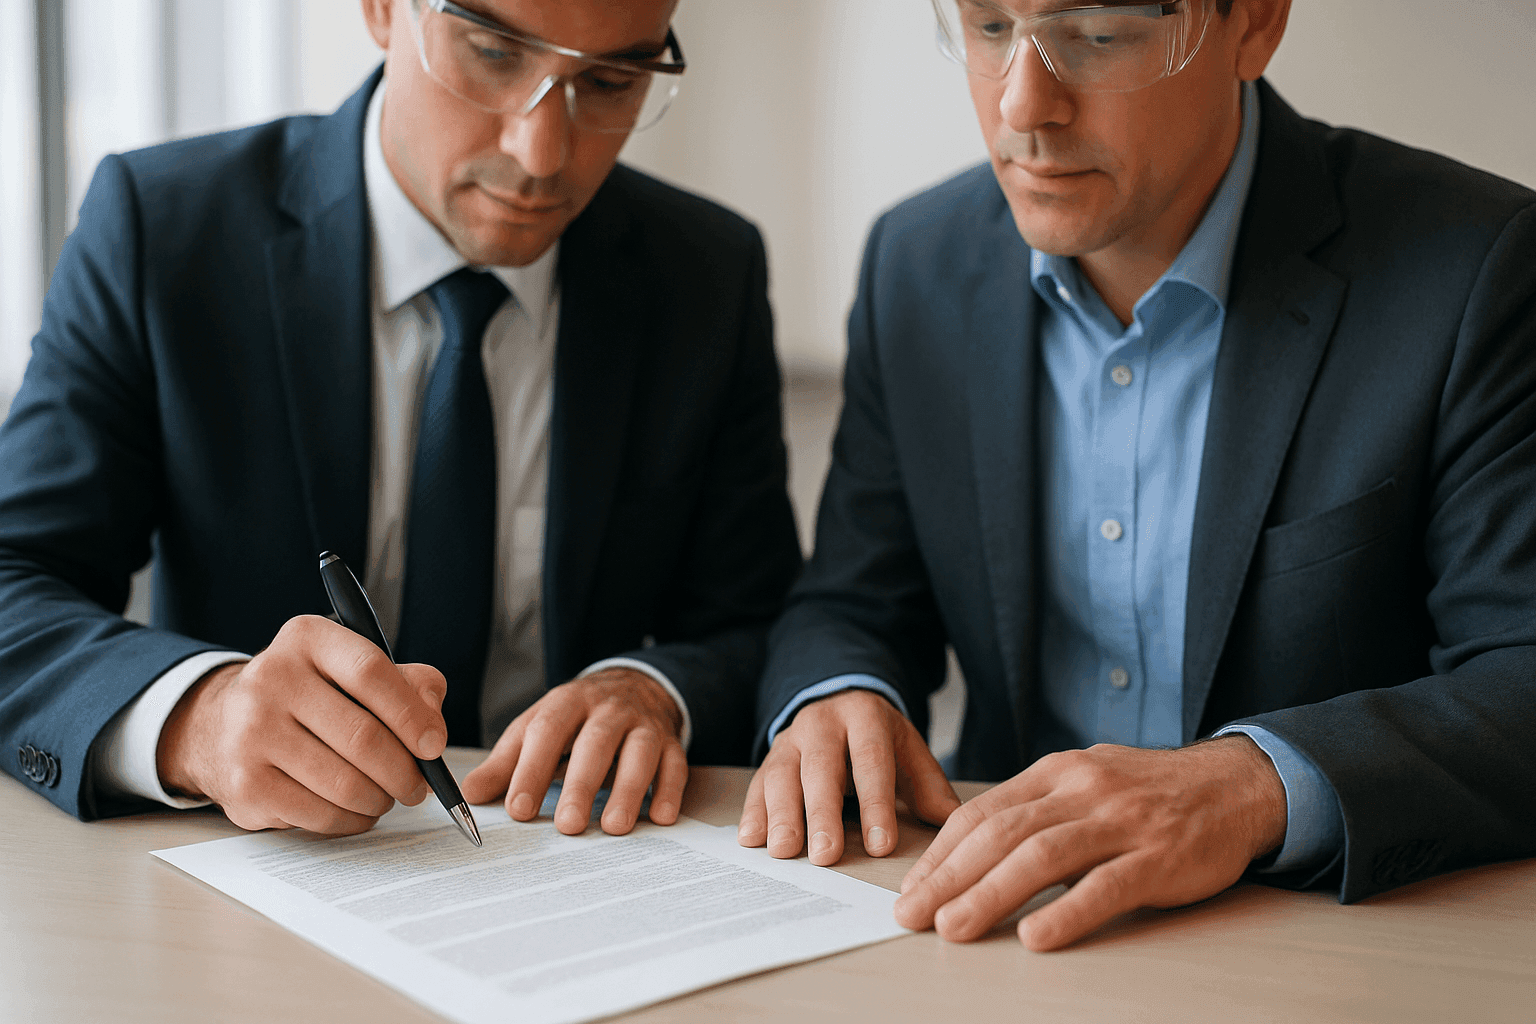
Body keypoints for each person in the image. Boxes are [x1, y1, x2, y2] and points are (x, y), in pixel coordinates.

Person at [742, 0, 1536, 951]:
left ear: (1254, 25)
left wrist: (1247, 787)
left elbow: (1522, 671)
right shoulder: (915, 262)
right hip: (993, 924)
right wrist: (839, 694)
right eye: (990, 27)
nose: (1024, 105)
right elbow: (855, 599)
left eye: (1099, 34)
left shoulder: (1477, 266)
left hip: (1320, 937)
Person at [0, 0, 800, 840]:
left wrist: (652, 688)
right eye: (493, 53)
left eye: (610, 81)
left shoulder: (708, 272)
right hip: (250, 877)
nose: (541, 154)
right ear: (384, 10)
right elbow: (14, 579)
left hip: (568, 864)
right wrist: (200, 716)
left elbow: (757, 622)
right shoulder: (162, 230)